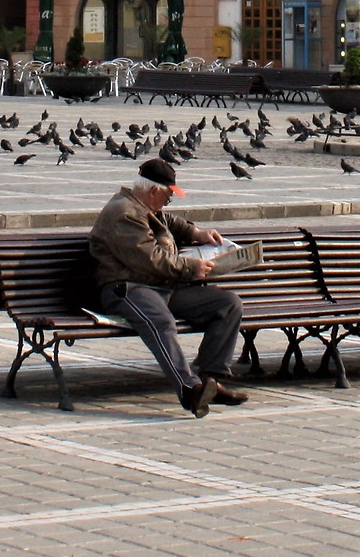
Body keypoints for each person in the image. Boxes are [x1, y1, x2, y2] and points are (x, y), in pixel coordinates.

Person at [89, 159, 246, 417]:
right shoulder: (124, 214)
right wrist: (190, 267)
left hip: (161, 286)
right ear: (154, 191)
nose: (168, 202)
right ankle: (189, 390)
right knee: (161, 322)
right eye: (168, 196)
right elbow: (150, 259)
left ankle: (211, 381)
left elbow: (169, 222)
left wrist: (197, 233)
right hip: (129, 287)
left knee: (227, 304)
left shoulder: (145, 206)